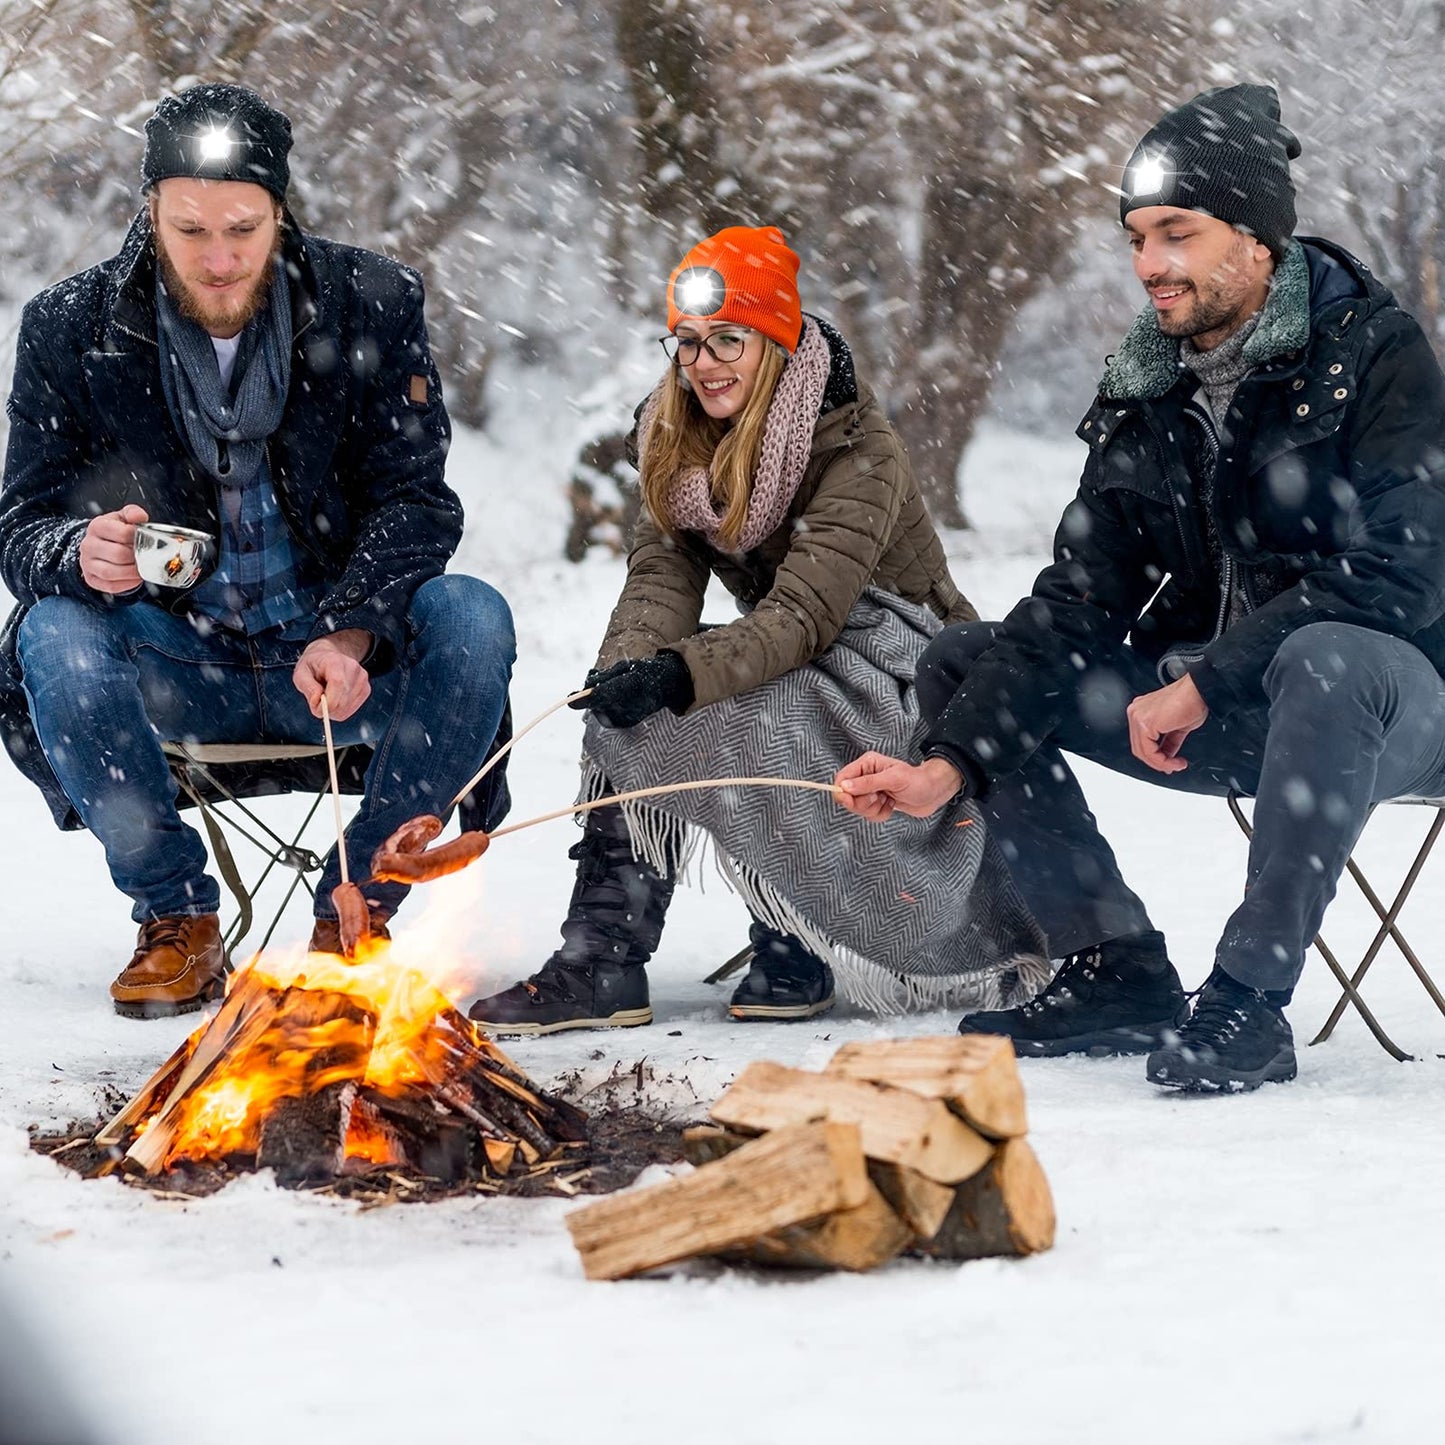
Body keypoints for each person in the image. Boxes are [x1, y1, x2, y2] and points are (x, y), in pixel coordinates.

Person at [836, 82, 1445, 1092]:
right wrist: (948, 763)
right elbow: (1076, 597)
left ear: (1255, 239)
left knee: (1324, 656)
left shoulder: (1374, 357)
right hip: (1214, 712)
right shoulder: (1145, 384)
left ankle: (1247, 1000)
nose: (1148, 265)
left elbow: (1400, 572)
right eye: (1133, 238)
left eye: (1176, 233)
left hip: (1388, 706)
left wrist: (1210, 676)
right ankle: (1114, 962)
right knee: (966, 661)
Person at [0, 83, 515, 1017]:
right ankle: (176, 915)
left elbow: (416, 499)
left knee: (473, 616)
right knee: (52, 631)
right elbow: (21, 527)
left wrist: (354, 630)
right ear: (149, 208)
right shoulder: (70, 328)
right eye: (190, 229)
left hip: (335, 668)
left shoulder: (371, 301)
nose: (219, 256)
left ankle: (356, 905)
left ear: (281, 211)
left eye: (242, 227)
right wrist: (78, 550)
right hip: (177, 660)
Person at [471, 225, 1047, 1034]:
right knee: (640, 714)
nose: (703, 363)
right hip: (790, 647)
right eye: (689, 343)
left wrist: (684, 670)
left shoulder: (855, 445)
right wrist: (629, 672)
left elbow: (808, 613)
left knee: (766, 711)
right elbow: (659, 579)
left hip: (905, 659)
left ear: (774, 342)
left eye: (729, 340)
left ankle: (798, 936)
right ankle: (603, 958)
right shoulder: (676, 440)